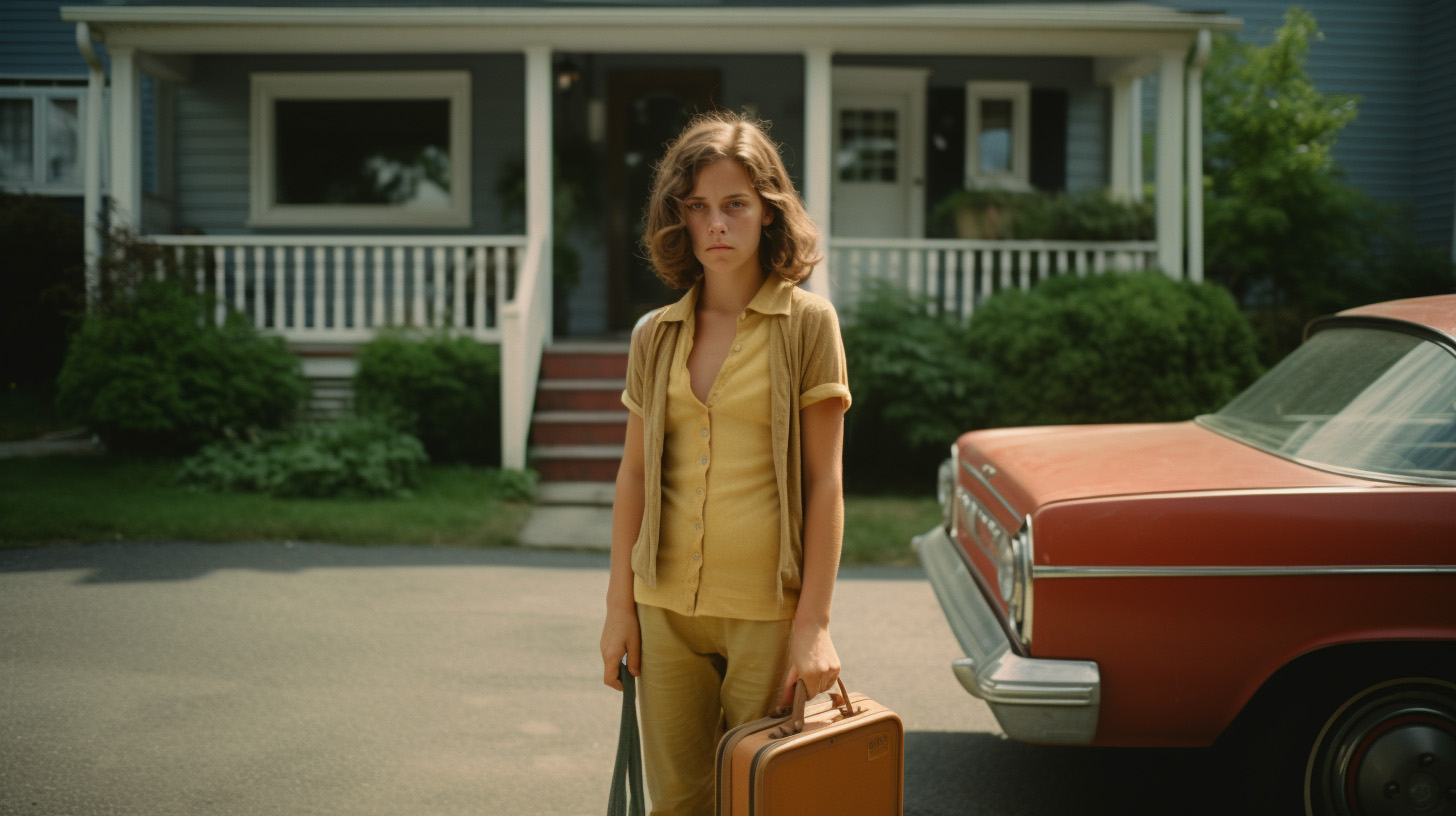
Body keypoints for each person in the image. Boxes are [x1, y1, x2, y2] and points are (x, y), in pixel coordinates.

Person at [599, 110, 851, 816]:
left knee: (758, 800)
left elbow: (824, 482)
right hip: (664, 611)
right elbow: (635, 477)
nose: (717, 225)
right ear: (680, 215)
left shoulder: (807, 325)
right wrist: (620, 606)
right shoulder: (656, 334)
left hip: (766, 615)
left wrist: (814, 624)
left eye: (735, 205)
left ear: (768, 211)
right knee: (676, 802)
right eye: (700, 207)